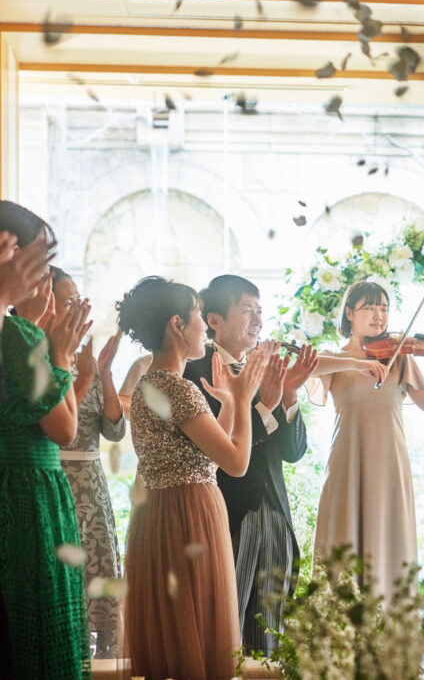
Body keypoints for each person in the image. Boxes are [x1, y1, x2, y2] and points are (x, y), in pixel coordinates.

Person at [118, 276, 269, 680]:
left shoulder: (153, 384)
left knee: (174, 635)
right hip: (190, 518)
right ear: (178, 325)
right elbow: (236, 463)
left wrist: (227, 405)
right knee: (197, 635)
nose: (204, 324)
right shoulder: (178, 389)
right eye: (199, 315)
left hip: (162, 516)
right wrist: (241, 396)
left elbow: (204, 458)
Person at [309, 280, 424, 599]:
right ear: (349, 312)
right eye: (369, 308)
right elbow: (308, 367)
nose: (378, 315)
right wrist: (359, 363)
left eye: (384, 308)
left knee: (388, 542)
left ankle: (387, 630)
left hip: (389, 464)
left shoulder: (399, 357)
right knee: (342, 540)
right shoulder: (334, 358)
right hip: (347, 461)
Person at [183, 275, 317, 655]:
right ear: (214, 321)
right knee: (224, 629)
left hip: (275, 513)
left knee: (269, 634)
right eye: (247, 311)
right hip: (228, 513)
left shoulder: (263, 369)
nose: (258, 320)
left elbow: (292, 453)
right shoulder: (196, 374)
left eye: (260, 311)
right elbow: (221, 452)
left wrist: (289, 395)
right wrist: (264, 405)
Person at [0, 200, 93, 679]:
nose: (44, 275)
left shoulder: (19, 333)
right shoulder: (14, 334)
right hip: (24, 492)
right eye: (39, 258)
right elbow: (64, 430)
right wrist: (59, 351)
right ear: (5, 250)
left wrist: (56, 350)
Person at [51, 267, 127, 660]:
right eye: (68, 301)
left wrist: (105, 373)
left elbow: (114, 432)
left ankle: (102, 654)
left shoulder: (89, 364)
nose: (78, 308)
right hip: (57, 478)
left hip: (93, 486)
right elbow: (58, 425)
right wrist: (81, 376)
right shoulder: (38, 359)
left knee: (100, 569)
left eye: (79, 300)